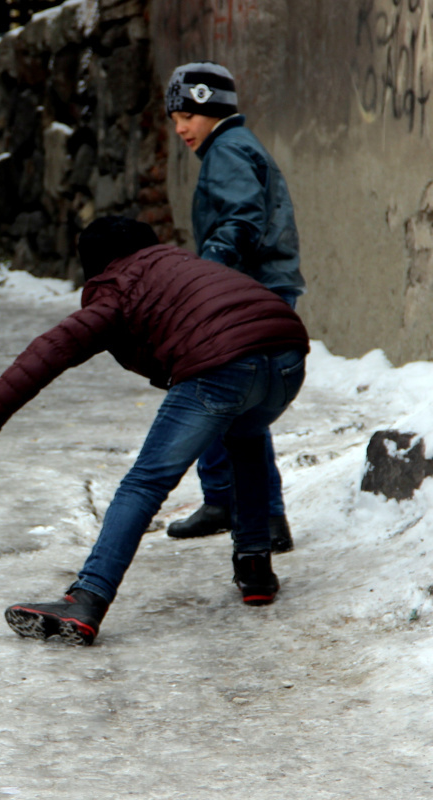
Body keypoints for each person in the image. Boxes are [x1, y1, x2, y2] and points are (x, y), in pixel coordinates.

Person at [0, 217, 308, 646]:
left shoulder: (117, 289)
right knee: (246, 434)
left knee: (145, 482)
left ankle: (88, 598)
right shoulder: (179, 265)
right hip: (287, 355)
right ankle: (255, 565)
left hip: (223, 366)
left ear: (94, 264)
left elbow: (52, 349)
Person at [164, 62, 305, 552]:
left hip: (251, 293)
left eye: (187, 115)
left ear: (212, 107)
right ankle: (229, 501)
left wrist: (209, 277)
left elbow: (243, 216)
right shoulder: (233, 147)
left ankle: (262, 518)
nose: (180, 127)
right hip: (259, 289)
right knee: (232, 403)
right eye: (174, 119)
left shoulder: (227, 150)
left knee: (237, 405)